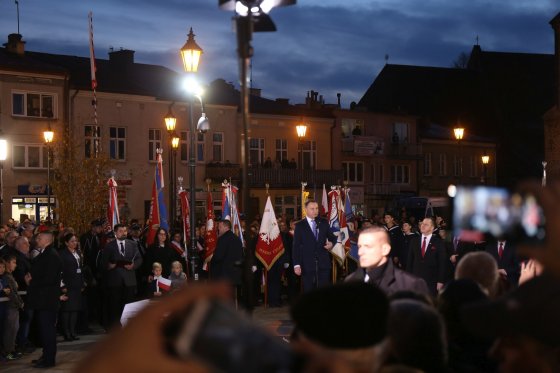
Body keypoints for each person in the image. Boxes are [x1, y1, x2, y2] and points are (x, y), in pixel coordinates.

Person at [345, 226, 429, 296]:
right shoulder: (350, 281)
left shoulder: (410, 284)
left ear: (385, 249)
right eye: (360, 246)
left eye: (368, 246)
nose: (360, 252)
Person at [26, 231, 63, 368]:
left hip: (47, 300)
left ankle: (48, 359)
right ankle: (45, 356)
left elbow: (49, 278)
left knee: (48, 330)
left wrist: (31, 281)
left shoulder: (51, 256)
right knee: (44, 329)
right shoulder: (46, 254)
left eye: (39, 238)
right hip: (43, 299)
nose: (36, 239)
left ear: (45, 239)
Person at [101, 224, 143, 328]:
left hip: (129, 280)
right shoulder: (109, 246)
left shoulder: (132, 244)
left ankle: (128, 327)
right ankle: (115, 328)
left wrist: (133, 265)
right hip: (115, 280)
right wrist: (109, 266)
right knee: (115, 305)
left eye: (125, 231)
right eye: (120, 231)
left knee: (129, 305)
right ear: (115, 233)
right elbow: (102, 263)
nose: (123, 233)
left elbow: (139, 259)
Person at [292, 200, 337, 292]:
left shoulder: (323, 222)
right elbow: (296, 246)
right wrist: (296, 265)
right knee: (309, 291)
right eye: (312, 209)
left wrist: (331, 243)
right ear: (306, 210)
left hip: (323, 263)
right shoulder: (300, 226)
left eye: (316, 208)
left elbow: (333, 237)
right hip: (307, 264)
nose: (315, 211)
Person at [406, 217, 448, 295]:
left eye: (426, 224)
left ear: (432, 228)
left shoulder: (438, 242)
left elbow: (442, 263)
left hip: (432, 281)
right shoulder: (414, 241)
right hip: (415, 280)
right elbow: (409, 261)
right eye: (422, 224)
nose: (422, 225)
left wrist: (441, 280)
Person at [59, 233, 85, 341]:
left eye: (76, 241)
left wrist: (82, 282)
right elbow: (59, 271)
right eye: (72, 241)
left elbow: (81, 268)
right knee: (67, 310)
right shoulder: (62, 254)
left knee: (74, 310)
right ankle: (66, 333)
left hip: (76, 285)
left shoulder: (78, 252)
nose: (75, 243)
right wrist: (62, 285)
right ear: (66, 243)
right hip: (67, 285)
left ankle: (73, 332)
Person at [209, 219, 243, 298]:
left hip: (223, 275)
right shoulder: (237, 239)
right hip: (235, 274)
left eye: (220, 227)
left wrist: (211, 260)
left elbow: (218, 256)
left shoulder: (222, 239)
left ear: (226, 227)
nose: (218, 229)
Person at [1, 255, 24, 360]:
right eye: (13, 262)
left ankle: (11, 350)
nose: (15, 264)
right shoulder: (6, 277)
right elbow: (12, 293)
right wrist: (20, 303)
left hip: (13, 307)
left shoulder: (10, 276)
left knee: (14, 329)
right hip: (10, 307)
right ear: (7, 263)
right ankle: (8, 353)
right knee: (10, 330)